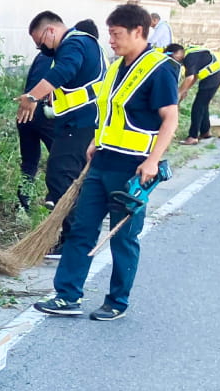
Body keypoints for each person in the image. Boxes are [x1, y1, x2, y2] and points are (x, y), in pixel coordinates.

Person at [33, 2, 179, 322]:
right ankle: (67, 295)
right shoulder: (116, 67)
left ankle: (117, 301)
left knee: (123, 238)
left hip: (133, 168)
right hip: (101, 161)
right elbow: (108, 110)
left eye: (116, 34)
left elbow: (170, 119)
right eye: (110, 33)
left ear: (138, 32)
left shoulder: (159, 69)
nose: (110, 40)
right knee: (82, 229)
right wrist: (95, 141)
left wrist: (153, 161)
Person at [16, 11, 107, 258]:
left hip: (81, 123)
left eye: (40, 42)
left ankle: (75, 240)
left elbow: (64, 71)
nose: (41, 49)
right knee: (67, 177)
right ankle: (77, 238)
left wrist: (32, 97)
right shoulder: (78, 44)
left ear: (51, 31)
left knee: (60, 176)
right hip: (75, 123)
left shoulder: (75, 43)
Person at [16, 46, 55, 212]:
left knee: (29, 162)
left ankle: (22, 205)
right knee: (60, 159)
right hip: (46, 115)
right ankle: (54, 199)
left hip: (24, 112)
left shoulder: (42, 55)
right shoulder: (69, 56)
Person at [169, 42, 220, 144]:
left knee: (197, 106)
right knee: (203, 104)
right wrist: (185, 90)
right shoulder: (190, 53)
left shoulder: (189, 58)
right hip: (214, 75)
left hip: (212, 77)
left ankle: (193, 137)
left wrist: (179, 93)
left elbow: (189, 78)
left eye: (173, 59)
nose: (177, 62)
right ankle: (205, 131)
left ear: (176, 53)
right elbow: (194, 76)